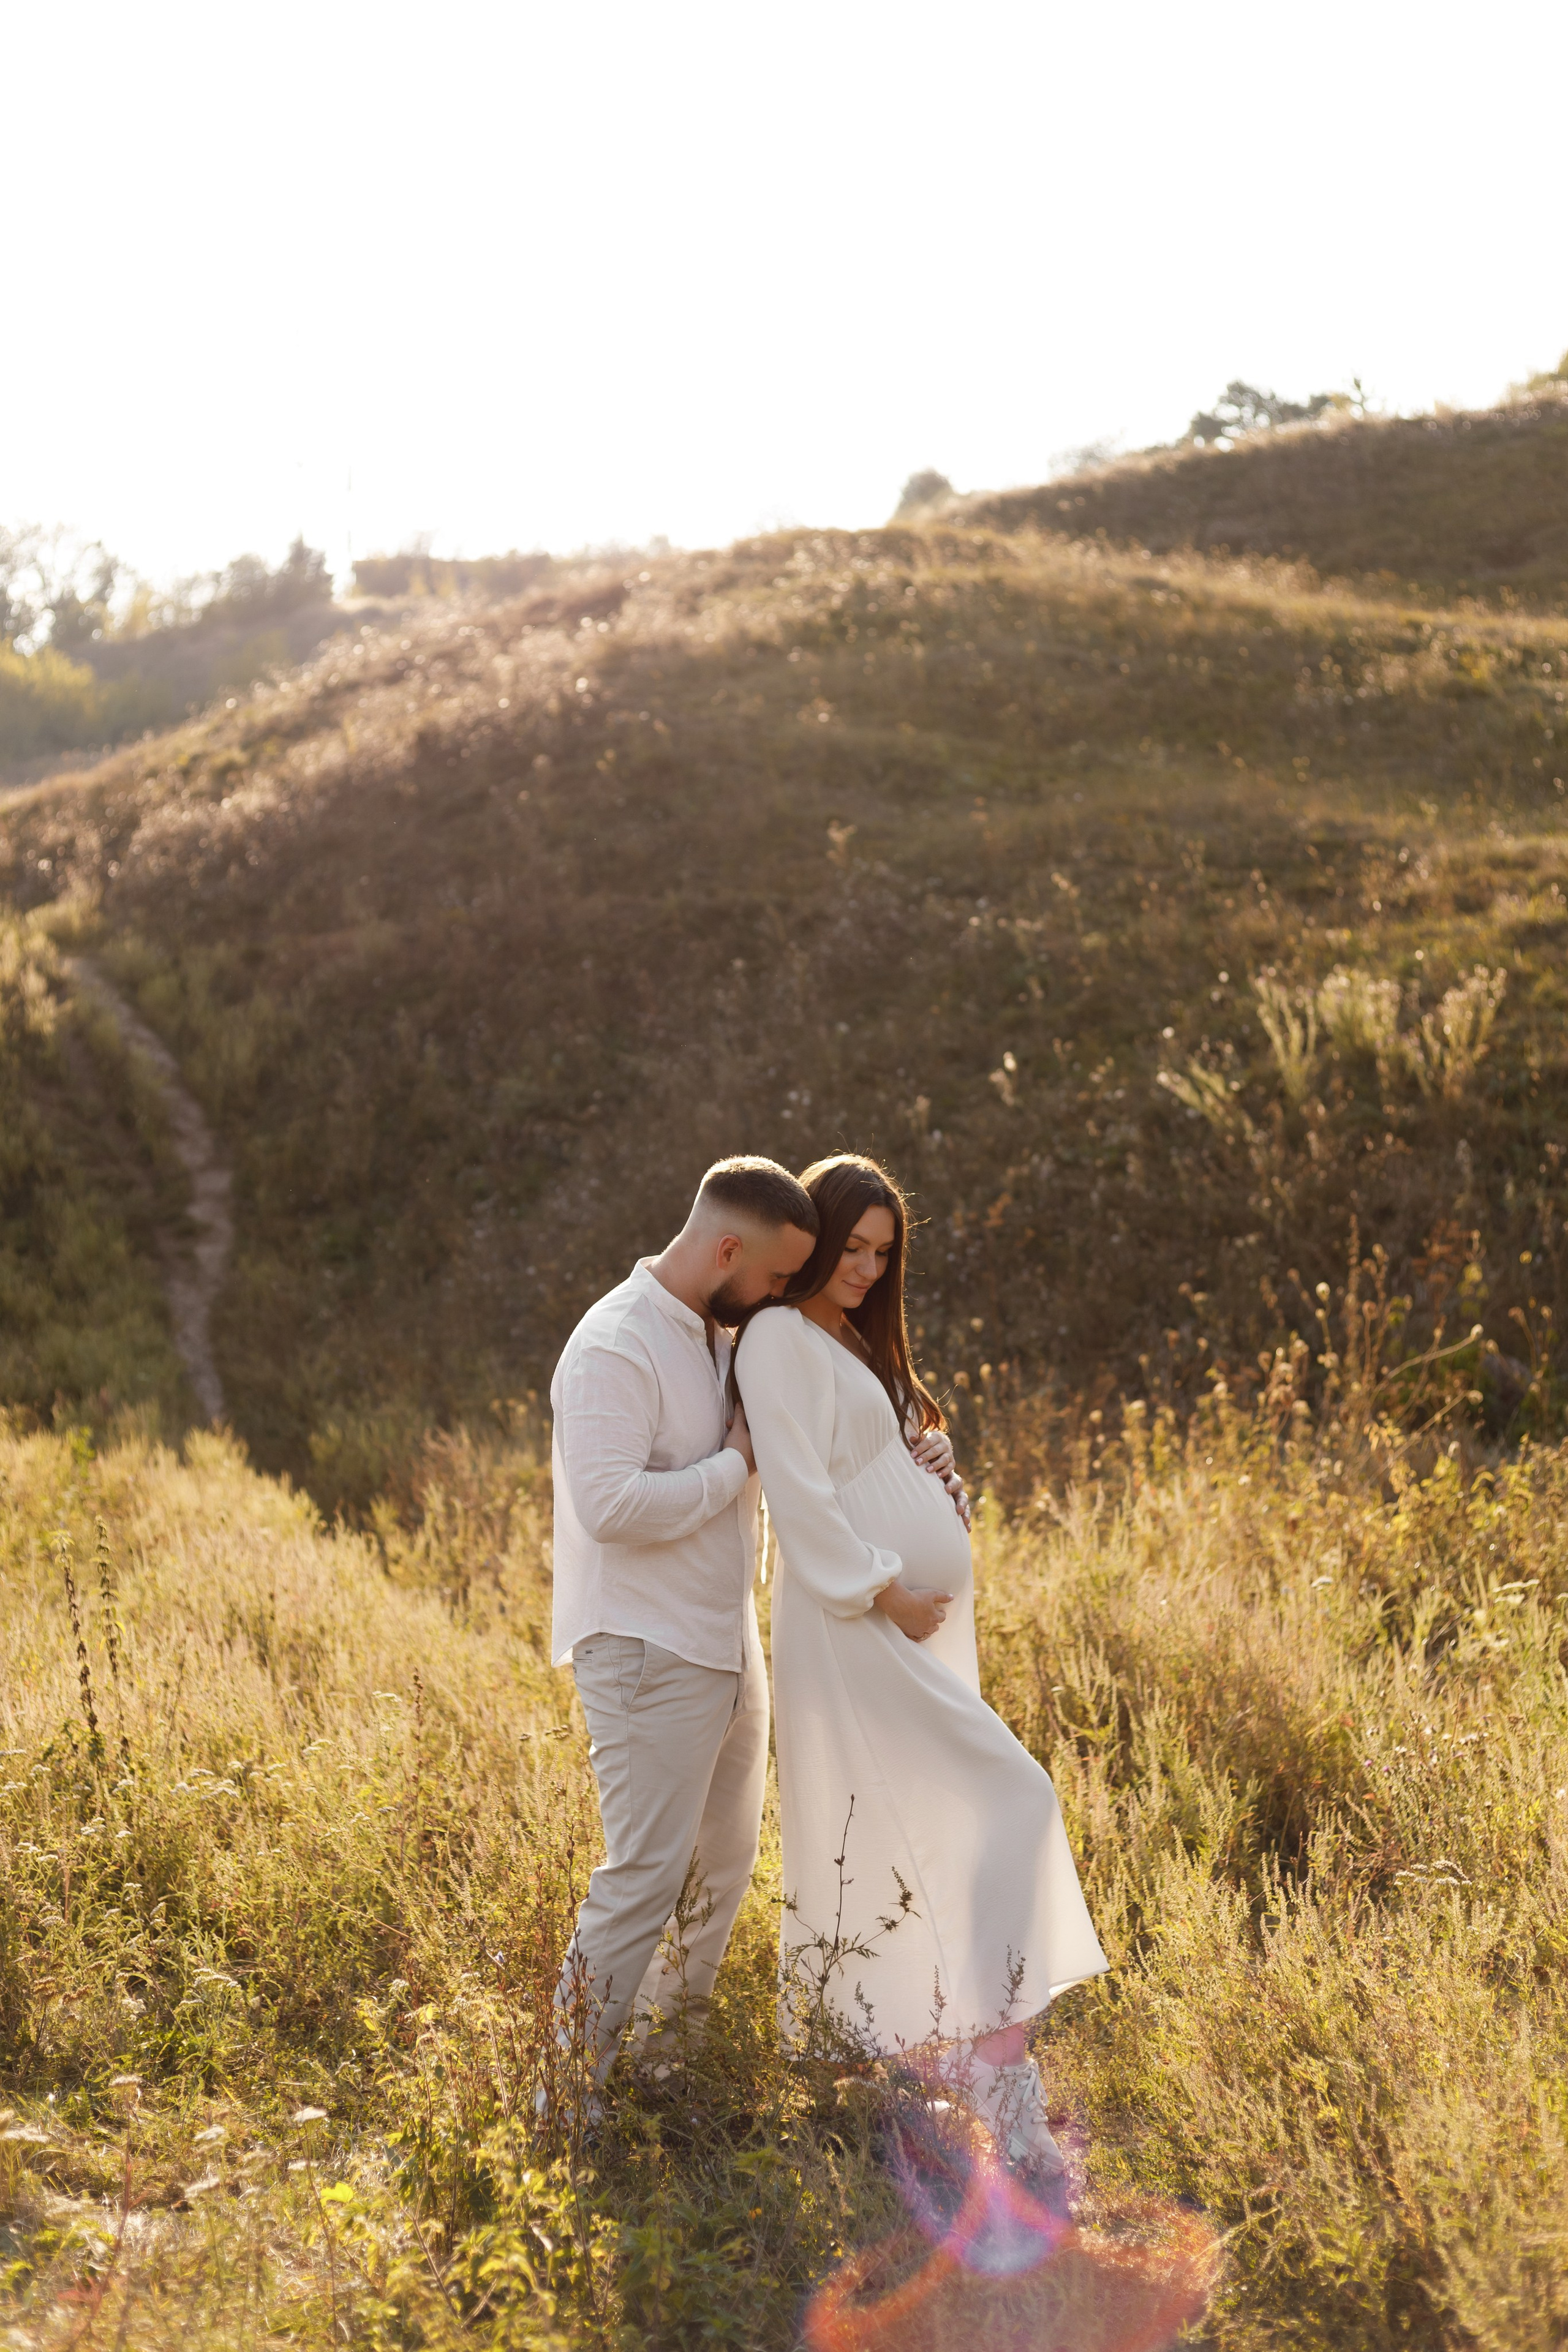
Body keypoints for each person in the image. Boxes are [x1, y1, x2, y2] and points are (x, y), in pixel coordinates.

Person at [734, 1153, 1108, 2189]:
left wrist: (928, 1473)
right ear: (812, 1237)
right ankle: (997, 2085)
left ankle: (967, 2058)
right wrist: (882, 1590)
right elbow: (801, 1497)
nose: (864, 1267)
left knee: (941, 1826)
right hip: (855, 1624)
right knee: (1013, 1798)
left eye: (881, 1253)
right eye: (850, 1246)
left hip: (896, 1622)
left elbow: (865, 1466)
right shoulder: (774, 1336)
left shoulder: (849, 1340)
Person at [546, 1155, 818, 2106]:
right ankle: (561, 2104)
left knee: (721, 1868)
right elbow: (611, 1505)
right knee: (643, 1881)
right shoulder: (615, 1344)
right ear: (729, 1249)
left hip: (722, 1642)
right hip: (645, 1651)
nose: (781, 1296)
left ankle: (666, 2072)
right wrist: (734, 1466)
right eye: (778, 1276)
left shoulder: (718, 1335)